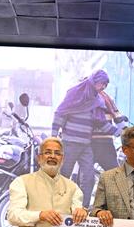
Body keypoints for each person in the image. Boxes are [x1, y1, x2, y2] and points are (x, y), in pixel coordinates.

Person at [52, 69, 123, 207]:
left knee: (89, 178)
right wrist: (53, 137)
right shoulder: (74, 93)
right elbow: (60, 113)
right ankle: (58, 207)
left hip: (85, 145)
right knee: (64, 176)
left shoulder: (97, 100)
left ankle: (82, 209)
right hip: (70, 143)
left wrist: (119, 132)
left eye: (105, 85)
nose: (103, 87)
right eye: (101, 83)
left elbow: (100, 122)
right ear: (93, 81)